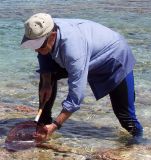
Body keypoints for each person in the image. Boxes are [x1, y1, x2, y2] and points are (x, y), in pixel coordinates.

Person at [21, 13, 143, 141]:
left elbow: (76, 97)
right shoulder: (43, 26)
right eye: (33, 45)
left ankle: (139, 142)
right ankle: (44, 121)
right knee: (49, 74)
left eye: (39, 45)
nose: (36, 50)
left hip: (115, 59)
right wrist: (46, 83)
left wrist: (56, 125)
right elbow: (44, 57)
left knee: (125, 117)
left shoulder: (73, 50)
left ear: (52, 35)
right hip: (88, 53)